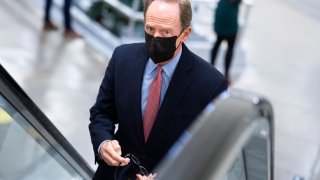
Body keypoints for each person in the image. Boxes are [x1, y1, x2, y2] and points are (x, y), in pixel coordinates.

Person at [88, 0, 228, 179]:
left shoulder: (211, 85)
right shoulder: (122, 58)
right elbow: (101, 113)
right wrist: (104, 144)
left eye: (166, 32)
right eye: (150, 29)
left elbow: (208, 156)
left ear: (185, 34)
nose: (156, 38)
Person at [211, 0, 241, 85]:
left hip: (221, 12)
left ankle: (210, 69)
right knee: (230, 47)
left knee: (217, 43)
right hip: (231, 17)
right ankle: (226, 75)